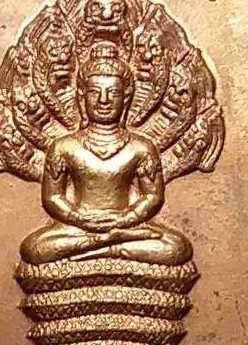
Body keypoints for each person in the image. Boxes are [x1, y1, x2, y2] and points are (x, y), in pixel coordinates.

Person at [20, 42, 192, 266]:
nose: (103, 100)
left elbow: (152, 196)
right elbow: (52, 197)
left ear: (126, 98)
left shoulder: (141, 147)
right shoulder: (63, 147)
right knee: (34, 249)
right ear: (81, 96)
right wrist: (79, 218)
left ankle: (108, 246)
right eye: (95, 92)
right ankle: (110, 244)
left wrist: (126, 218)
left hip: (127, 225)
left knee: (177, 248)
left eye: (113, 93)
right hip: (78, 228)